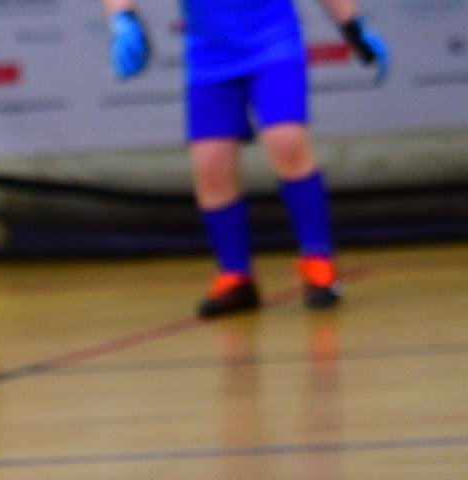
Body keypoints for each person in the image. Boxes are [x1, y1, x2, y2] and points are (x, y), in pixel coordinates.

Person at [104, 0, 389, 317]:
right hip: (209, 56)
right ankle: (235, 276)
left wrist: (353, 26)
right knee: (211, 167)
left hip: (274, 44)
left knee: (287, 142)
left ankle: (318, 261)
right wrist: (123, 19)